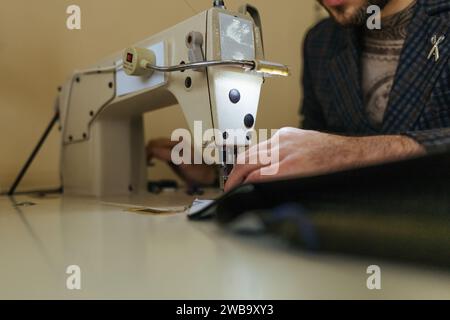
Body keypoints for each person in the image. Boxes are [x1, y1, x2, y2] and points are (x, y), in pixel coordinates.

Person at [147, 0, 450, 192]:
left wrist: (348, 152)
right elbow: (314, 158)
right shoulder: (320, 42)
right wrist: (223, 173)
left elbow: (338, 152)